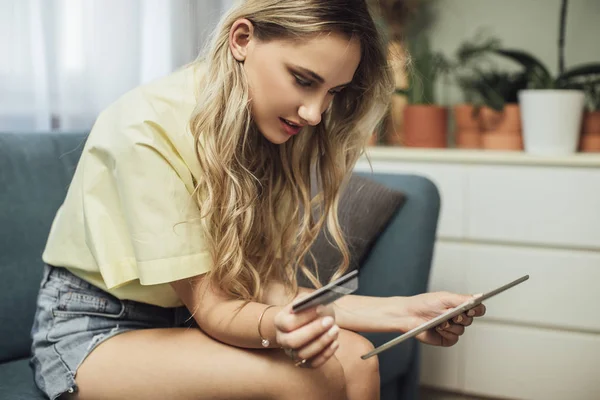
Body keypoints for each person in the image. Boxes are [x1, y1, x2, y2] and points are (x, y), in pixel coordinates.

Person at [30, 1, 486, 399]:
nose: (314, 113)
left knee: (359, 355)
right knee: (309, 377)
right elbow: (215, 309)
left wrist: (403, 311)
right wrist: (277, 327)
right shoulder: (146, 129)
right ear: (242, 38)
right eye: (303, 79)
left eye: (333, 92)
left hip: (182, 318)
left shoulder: (261, 129)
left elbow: (256, 287)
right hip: (93, 329)